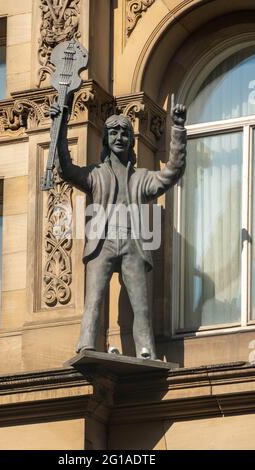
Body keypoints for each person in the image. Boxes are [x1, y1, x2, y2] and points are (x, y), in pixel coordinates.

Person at [51, 98, 187, 360]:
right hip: (102, 243)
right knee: (94, 299)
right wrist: (60, 126)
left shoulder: (142, 178)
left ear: (131, 140)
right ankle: (87, 344)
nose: (120, 137)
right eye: (114, 132)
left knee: (141, 306)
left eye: (125, 133)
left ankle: (146, 350)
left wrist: (178, 130)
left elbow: (172, 172)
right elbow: (65, 168)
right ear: (105, 139)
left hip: (132, 243)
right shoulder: (95, 174)